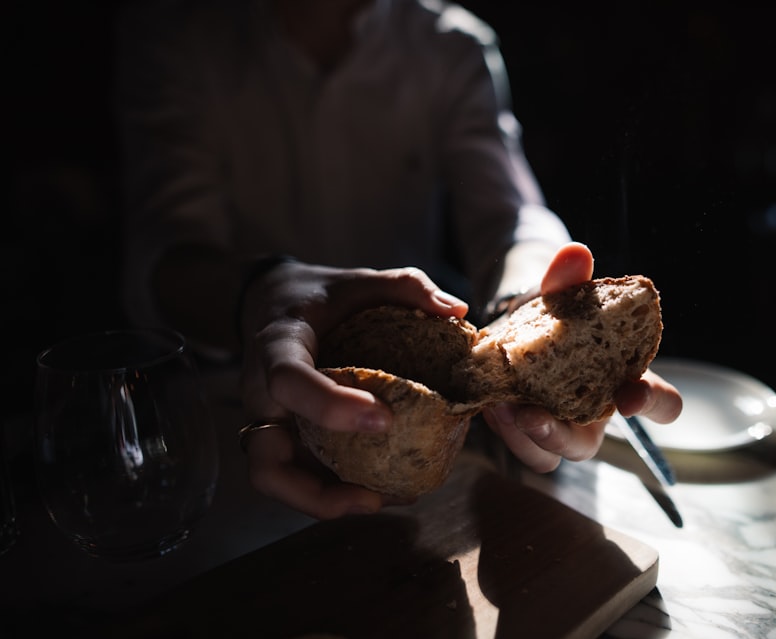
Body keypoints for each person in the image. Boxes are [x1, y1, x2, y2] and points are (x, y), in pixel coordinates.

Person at [116, 0, 682, 519]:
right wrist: (258, 295)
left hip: (442, 444)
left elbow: (509, 214)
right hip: (238, 425)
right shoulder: (179, 38)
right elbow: (163, 258)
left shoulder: (448, 42)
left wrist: (529, 308)